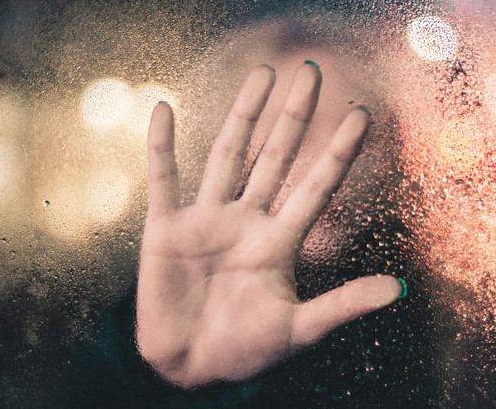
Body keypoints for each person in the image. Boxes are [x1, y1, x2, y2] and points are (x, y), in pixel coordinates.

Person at [136, 61, 405, 388]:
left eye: (360, 139)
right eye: (302, 134)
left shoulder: (429, 303)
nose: (322, 155)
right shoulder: (157, 297)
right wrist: (176, 374)